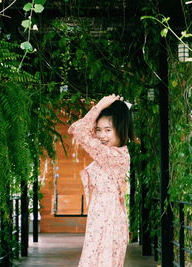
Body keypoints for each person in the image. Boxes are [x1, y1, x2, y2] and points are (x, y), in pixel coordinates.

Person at [68, 94, 135, 267]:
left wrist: (99, 106)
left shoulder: (114, 155)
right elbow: (79, 129)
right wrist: (100, 110)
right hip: (101, 219)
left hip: (108, 221)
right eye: (98, 130)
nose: (101, 135)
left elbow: (78, 130)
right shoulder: (109, 152)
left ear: (120, 129)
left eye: (108, 130)